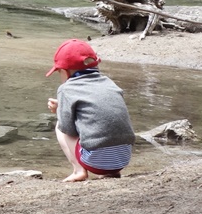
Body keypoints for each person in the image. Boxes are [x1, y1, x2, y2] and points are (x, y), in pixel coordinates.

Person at [45, 38, 135, 182]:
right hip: (122, 159)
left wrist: (59, 111)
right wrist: (63, 106)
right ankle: (110, 172)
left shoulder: (66, 89)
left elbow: (67, 128)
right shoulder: (109, 83)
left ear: (64, 71)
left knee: (59, 127)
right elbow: (99, 112)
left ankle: (78, 171)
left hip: (96, 162)